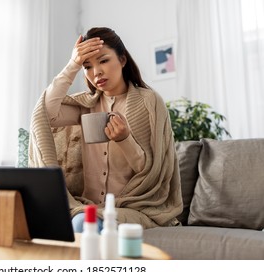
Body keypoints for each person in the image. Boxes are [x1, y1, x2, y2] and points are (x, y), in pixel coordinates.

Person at [29, 27, 182, 232]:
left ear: (122, 60)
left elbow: (150, 171)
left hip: (134, 207)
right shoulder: (85, 105)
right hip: (87, 206)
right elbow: (43, 115)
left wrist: (124, 139)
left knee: (83, 224)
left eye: (103, 61)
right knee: (66, 220)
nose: (96, 72)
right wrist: (72, 65)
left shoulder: (149, 102)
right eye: (87, 66)